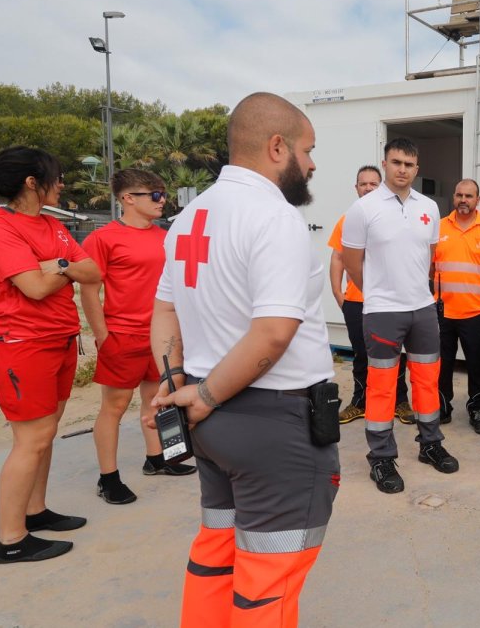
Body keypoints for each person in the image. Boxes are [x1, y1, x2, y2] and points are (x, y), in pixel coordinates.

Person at [146, 92, 339, 626]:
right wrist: (203, 396)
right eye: (308, 149)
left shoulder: (188, 219)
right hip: (273, 426)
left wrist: (176, 381)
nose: (313, 163)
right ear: (278, 147)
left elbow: (163, 312)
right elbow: (274, 333)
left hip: (211, 424)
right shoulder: (273, 218)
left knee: (218, 558)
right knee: (266, 585)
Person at [0, 146, 100, 563]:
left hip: (60, 340)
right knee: (32, 440)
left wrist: (53, 263)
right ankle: (10, 541)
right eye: (56, 177)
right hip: (22, 346)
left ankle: (35, 512)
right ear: (31, 182)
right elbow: (35, 288)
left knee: (45, 436)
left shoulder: (51, 226)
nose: (62, 185)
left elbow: (94, 271)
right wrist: (64, 270)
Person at [341, 138, 459, 493]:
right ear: (385, 163)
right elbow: (351, 261)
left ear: (416, 169)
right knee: (381, 387)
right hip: (382, 312)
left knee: (427, 381)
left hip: (422, 309)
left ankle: (430, 445)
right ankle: (381, 458)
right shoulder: (363, 209)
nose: (402, 169)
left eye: (409, 164)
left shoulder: (429, 207)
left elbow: (429, 256)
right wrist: (377, 292)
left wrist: (414, 292)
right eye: (396, 163)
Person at [80, 169, 195, 507]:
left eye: (163, 193)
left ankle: (158, 458)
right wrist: (102, 335)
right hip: (123, 334)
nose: (163, 200)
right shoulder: (103, 238)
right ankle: (108, 478)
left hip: (160, 336)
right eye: (155, 194)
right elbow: (89, 290)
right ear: (128, 198)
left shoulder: (166, 236)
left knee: (155, 399)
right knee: (113, 407)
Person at [327, 165, 413, 426]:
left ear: (381, 186)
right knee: (361, 356)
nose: (367, 188)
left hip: (388, 303)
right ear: (356, 188)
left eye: (373, 184)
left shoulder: (395, 217)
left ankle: (399, 401)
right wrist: (338, 293)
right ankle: (360, 401)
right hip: (356, 302)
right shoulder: (347, 219)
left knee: (393, 354)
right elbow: (338, 258)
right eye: (363, 184)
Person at [433, 178, 480, 434]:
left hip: (476, 312)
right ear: (453, 196)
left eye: (469, 196)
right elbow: (428, 266)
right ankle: (441, 407)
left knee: (477, 365)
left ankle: (477, 409)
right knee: (442, 364)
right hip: (442, 311)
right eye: (459, 195)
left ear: (478, 200)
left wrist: (477, 288)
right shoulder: (438, 228)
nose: (463, 200)